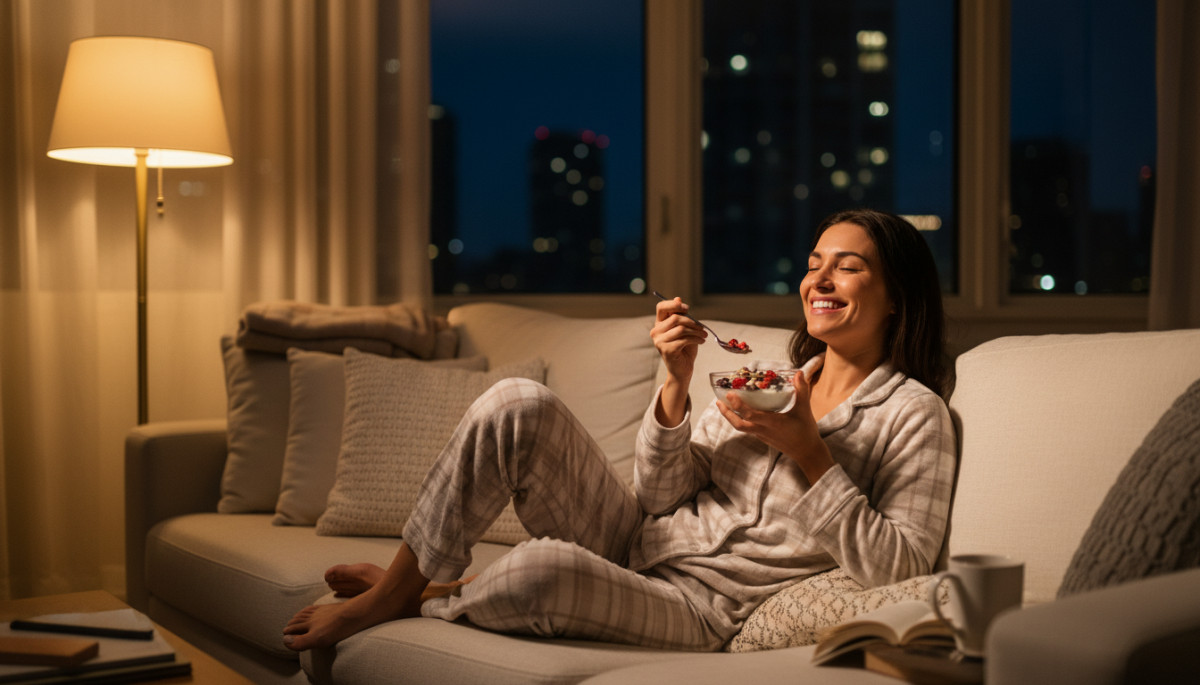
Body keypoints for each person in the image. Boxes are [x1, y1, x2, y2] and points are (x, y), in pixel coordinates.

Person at [283, 208, 956, 652]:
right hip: (637, 538)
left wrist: (810, 452)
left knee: (543, 568)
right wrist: (675, 382)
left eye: (848, 265)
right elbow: (661, 495)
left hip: (703, 608)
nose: (820, 278)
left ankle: (437, 598)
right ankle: (403, 587)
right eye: (814, 262)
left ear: (897, 295)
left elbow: (900, 569)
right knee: (518, 400)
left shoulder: (913, 414)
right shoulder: (769, 378)